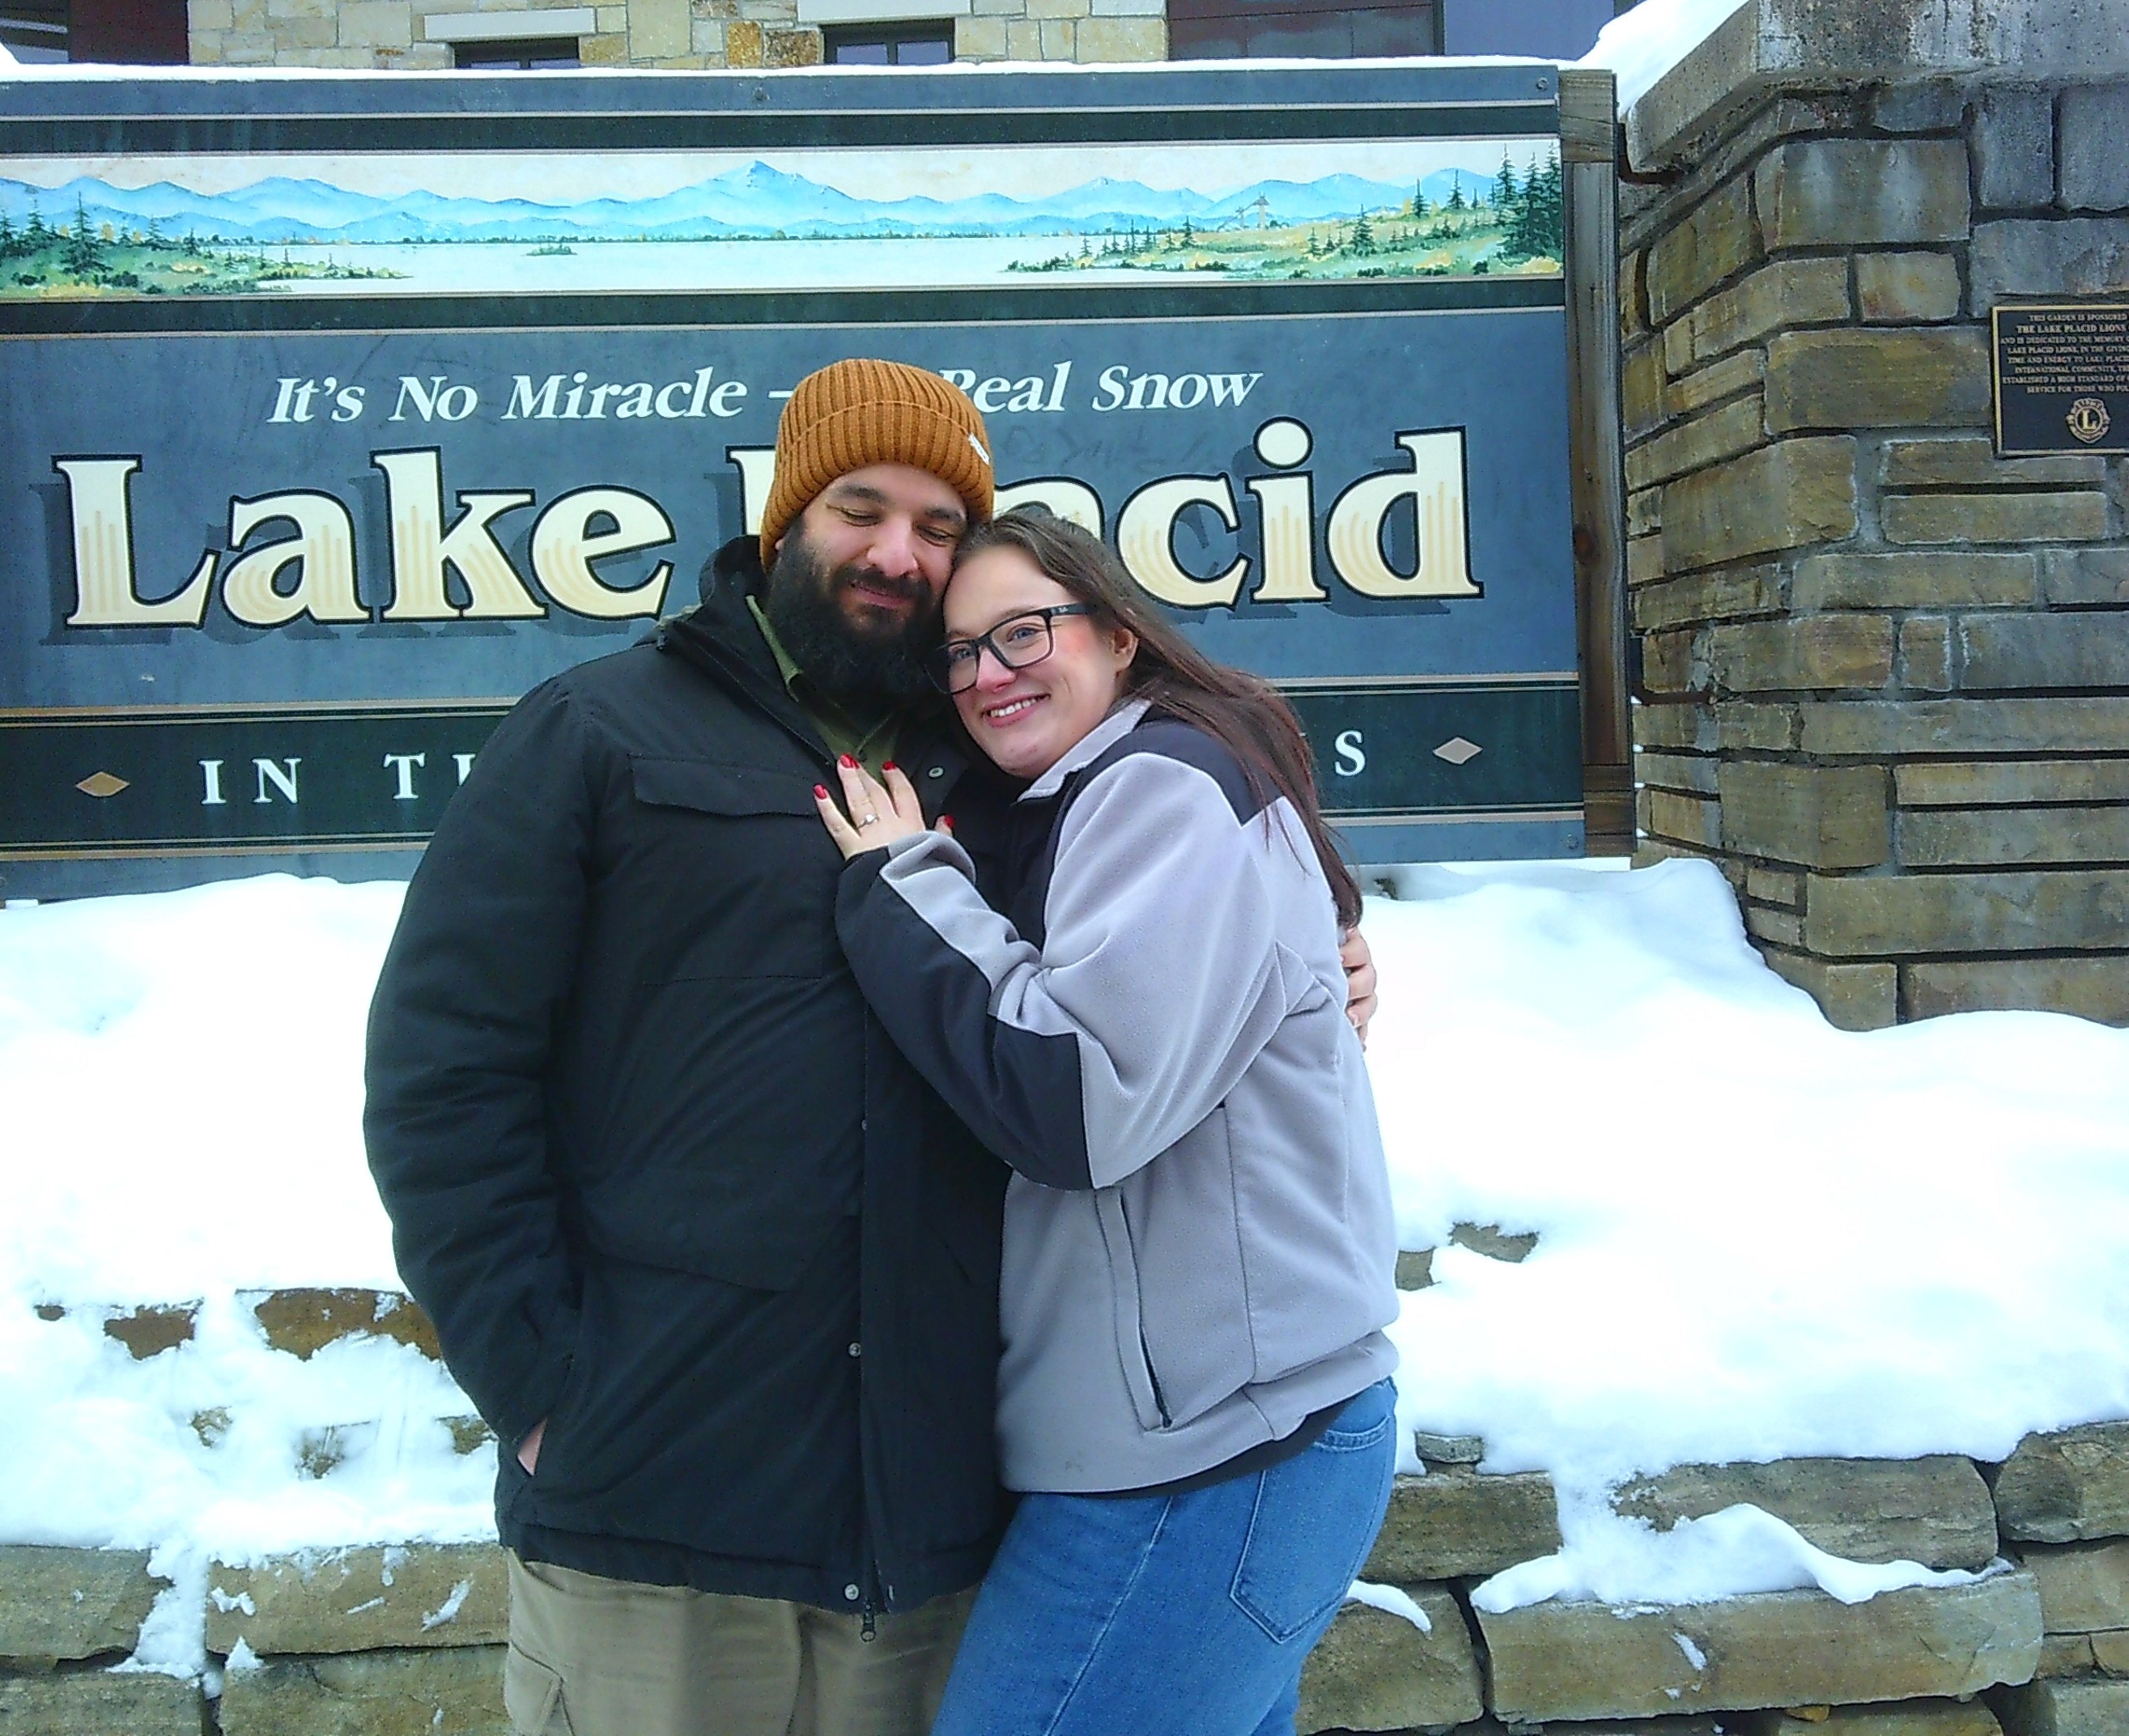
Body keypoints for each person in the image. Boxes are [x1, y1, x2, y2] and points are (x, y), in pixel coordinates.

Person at [363, 356, 1382, 1736]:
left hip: (936, 1522)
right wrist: (539, 1382)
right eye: (861, 507)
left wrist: (1318, 958)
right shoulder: (598, 731)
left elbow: (1132, 973)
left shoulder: (1000, 760)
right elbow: (444, 1071)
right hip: (659, 1502)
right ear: (785, 520)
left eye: (940, 525)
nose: (899, 554)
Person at [815, 507, 1400, 1736]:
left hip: (1213, 1461)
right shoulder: (1071, 799)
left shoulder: (1160, 787)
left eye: (1024, 630)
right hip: (1195, 1445)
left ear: (1121, 634)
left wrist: (901, 879)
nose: (987, 672)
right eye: (960, 652)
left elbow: (1075, 1103)